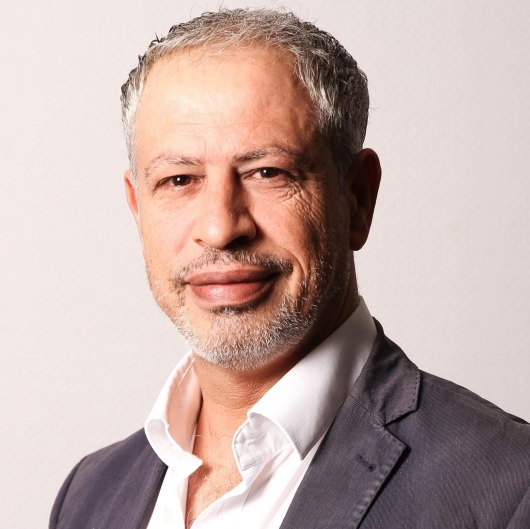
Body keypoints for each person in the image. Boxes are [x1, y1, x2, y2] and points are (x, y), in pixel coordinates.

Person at [50, 8, 530, 529]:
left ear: (358, 198)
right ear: (137, 207)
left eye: (267, 172)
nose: (220, 227)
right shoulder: (87, 495)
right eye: (180, 180)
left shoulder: (508, 488)